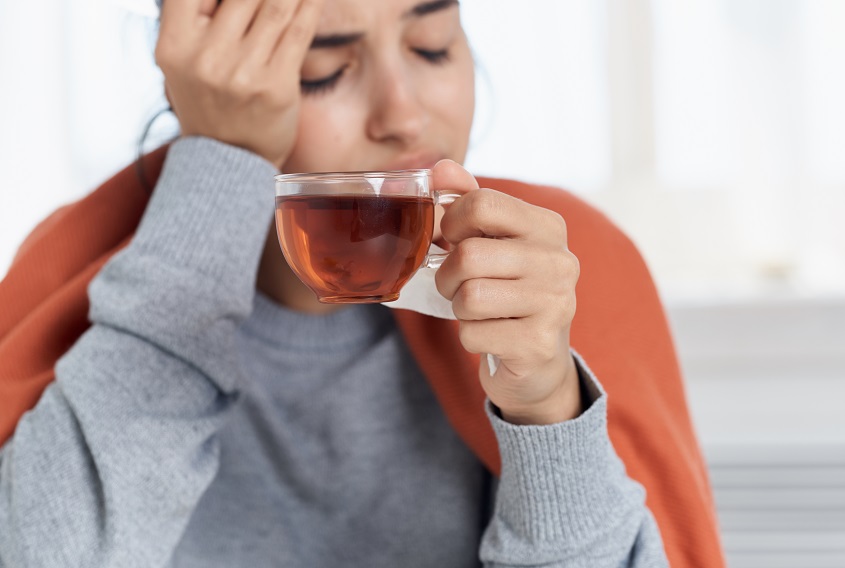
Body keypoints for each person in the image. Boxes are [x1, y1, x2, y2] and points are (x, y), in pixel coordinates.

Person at [0, 0, 725, 566]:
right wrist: (221, 158)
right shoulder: (71, 271)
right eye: (323, 67)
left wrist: (548, 412)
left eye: (433, 43)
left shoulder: (562, 272)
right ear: (204, 76)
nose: (405, 115)